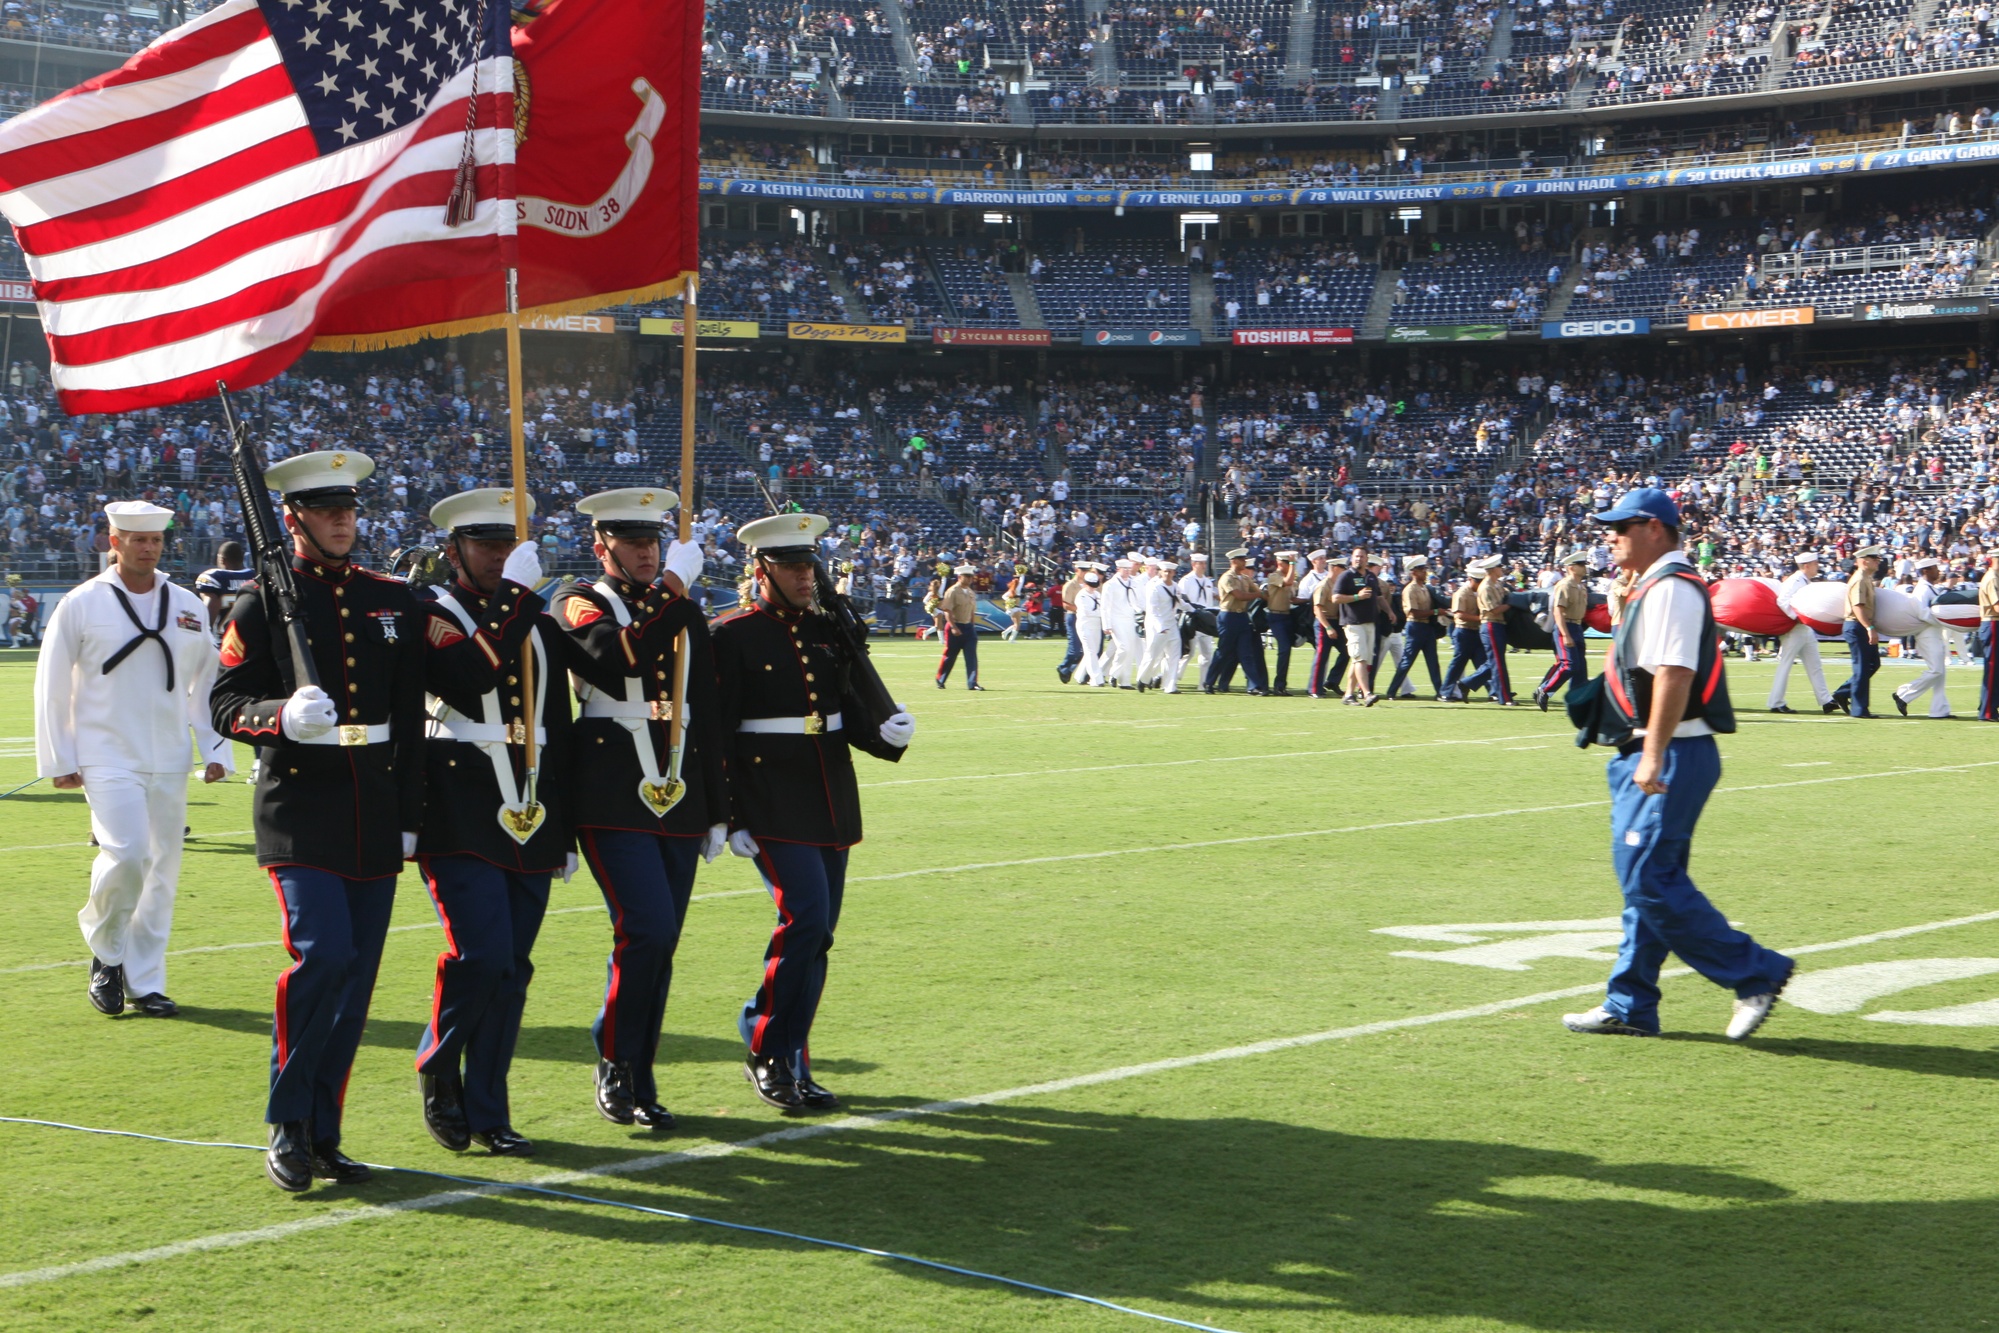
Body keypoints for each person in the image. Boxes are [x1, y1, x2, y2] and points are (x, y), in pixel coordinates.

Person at [210, 450, 426, 1193]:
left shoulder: (387, 596)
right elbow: (224, 704)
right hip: (300, 807)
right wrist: (278, 716)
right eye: (328, 509)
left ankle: (324, 1133)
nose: (343, 520)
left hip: (373, 805)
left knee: (356, 981)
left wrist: (410, 814)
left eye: (350, 508)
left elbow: (410, 713)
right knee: (324, 956)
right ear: (294, 518)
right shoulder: (262, 601)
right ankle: (286, 1120)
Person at [1562, 487, 1794, 1041]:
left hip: (1669, 750)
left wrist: (1653, 751)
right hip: (1659, 749)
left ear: (1656, 529)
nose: (1610, 534)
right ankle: (1630, 1003)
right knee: (1646, 883)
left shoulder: (1670, 588)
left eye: (1623, 525)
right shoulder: (1655, 585)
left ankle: (1755, 972)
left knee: (1649, 879)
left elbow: (1674, 674)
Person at [714, 514, 915, 1110]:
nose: (807, 576)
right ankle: (765, 1044)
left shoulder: (828, 631)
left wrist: (888, 736)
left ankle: (793, 1057)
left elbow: (845, 712)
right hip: (769, 797)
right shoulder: (732, 634)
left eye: (810, 565)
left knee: (819, 933)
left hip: (828, 794)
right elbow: (718, 731)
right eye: (793, 567)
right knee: (803, 921)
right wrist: (729, 813)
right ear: (762, 571)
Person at [410, 489, 574, 1158]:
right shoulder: (431, 611)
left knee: (513, 967)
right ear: (454, 552)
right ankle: (439, 1063)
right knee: (479, 954)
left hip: (529, 805)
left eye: (508, 545)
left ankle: (489, 1105)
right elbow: (466, 681)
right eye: (485, 546)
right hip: (457, 802)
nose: (499, 557)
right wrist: (515, 597)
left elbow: (554, 721)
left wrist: (561, 823)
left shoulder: (533, 614)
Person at [553, 487, 721, 1133]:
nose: (648, 553)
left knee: (663, 940)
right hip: (609, 788)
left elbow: (701, 704)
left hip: (678, 789)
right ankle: (615, 1059)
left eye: (655, 543)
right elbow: (614, 656)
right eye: (634, 542)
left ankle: (640, 1070)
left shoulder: (682, 606)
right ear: (603, 548)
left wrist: (717, 806)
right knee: (644, 928)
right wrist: (675, 584)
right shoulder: (581, 601)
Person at [34, 500, 232, 1021]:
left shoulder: (187, 604)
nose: (148, 548)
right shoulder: (81, 603)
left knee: (162, 870)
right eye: (136, 539)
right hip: (105, 752)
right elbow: (52, 683)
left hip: (168, 753)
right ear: (113, 541)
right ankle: (106, 953)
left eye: (156, 540)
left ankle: (146, 981)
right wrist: (59, 755)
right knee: (127, 855)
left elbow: (206, 682)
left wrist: (213, 747)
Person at [1768, 551, 1836, 714]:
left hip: (1804, 628)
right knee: (1785, 665)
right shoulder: (1795, 581)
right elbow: (1782, 601)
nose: (1817, 567)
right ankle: (1776, 702)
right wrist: (1796, 617)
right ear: (1807, 565)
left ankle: (1826, 700)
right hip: (1794, 629)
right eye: (1815, 564)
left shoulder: (1804, 580)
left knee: (1815, 665)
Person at [1892, 557, 1951, 718]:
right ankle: (1903, 694)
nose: (1938, 571)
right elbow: (1922, 612)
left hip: (1934, 632)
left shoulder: (1930, 588)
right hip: (1927, 633)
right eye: (1934, 568)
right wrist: (1940, 620)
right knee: (1936, 671)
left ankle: (1940, 710)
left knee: (1940, 675)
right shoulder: (1922, 589)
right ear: (1926, 571)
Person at [1534, 550, 1592, 710]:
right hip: (1565, 626)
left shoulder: (1580, 587)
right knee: (1569, 665)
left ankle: (1576, 703)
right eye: (1581, 564)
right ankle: (1544, 690)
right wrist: (1565, 634)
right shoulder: (1565, 585)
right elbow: (1558, 610)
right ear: (1571, 567)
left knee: (1580, 670)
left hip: (1577, 626)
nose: (1584, 567)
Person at [1208, 548, 1269, 695]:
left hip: (1241, 617)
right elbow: (1239, 595)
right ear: (1234, 561)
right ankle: (1209, 682)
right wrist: (1259, 594)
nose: (1244, 562)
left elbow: (1259, 592)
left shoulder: (1244, 578)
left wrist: (1267, 592)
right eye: (1241, 560)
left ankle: (1255, 685)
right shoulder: (1227, 578)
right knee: (1223, 652)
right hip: (1228, 617)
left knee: (1246, 653)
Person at [1328, 545, 1381, 705]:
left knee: (1358, 659)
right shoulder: (1346, 576)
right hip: (1353, 623)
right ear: (1352, 558)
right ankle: (1367, 693)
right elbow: (1335, 598)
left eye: (1362, 556)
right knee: (1360, 658)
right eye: (1356, 556)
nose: (1359, 559)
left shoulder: (1371, 576)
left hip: (1369, 623)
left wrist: (1389, 611)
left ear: (1367, 559)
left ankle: (1348, 694)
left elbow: (1378, 597)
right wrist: (1357, 597)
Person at [1385, 555, 1443, 699]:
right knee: (1407, 661)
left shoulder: (1424, 588)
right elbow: (1413, 612)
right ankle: (1392, 691)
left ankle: (1440, 692)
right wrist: (1435, 612)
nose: (1425, 572)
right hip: (1415, 627)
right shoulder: (1410, 590)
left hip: (1426, 627)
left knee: (1433, 662)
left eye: (1425, 569)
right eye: (1422, 569)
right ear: (1414, 572)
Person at [1440, 560, 1493, 701]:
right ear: (1470, 579)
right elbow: (1459, 614)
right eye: (1477, 581)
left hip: (1476, 632)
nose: (1480, 584)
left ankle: (1493, 692)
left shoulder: (1479, 592)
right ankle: (1445, 692)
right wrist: (1480, 619)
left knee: (1484, 663)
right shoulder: (1461, 593)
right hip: (1463, 632)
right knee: (1457, 665)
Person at [1842, 545, 1885, 718]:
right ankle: (1859, 709)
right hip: (1857, 625)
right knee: (1862, 668)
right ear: (1864, 561)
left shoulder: (1866, 578)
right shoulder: (1859, 579)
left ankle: (1843, 693)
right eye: (1875, 559)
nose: (1878, 563)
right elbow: (1857, 606)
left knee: (1873, 663)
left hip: (1862, 625)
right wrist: (1870, 628)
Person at [934, 563, 983, 689]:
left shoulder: (971, 592)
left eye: (971, 577)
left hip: (968, 627)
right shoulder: (952, 591)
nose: (970, 579)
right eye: (967, 576)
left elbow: (972, 611)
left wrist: (972, 626)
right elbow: (947, 610)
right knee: (950, 656)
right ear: (959, 577)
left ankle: (972, 683)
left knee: (971, 656)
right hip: (954, 626)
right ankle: (941, 679)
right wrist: (953, 627)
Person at [1138, 555, 1182, 693]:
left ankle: (1170, 686)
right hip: (1156, 625)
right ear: (1161, 572)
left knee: (1174, 655)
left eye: (1170, 572)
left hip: (1171, 624)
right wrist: (1160, 627)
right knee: (1153, 654)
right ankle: (1142, 679)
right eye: (1165, 571)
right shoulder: (1154, 587)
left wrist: (1194, 609)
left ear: (1174, 573)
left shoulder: (1175, 587)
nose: (1168, 574)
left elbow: (1180, 602)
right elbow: (1152, 610)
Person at [193, 540, 255, 637]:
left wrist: (203, 635)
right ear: (243, 557)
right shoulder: (255, 576)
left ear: (222, 559)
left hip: (224, 642)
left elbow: (210, 609)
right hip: (251, 641)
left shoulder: (215, 577)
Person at [1176, 551, 1219, 683]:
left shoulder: (1207, 581)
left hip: (1206, 619)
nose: (1203, 566)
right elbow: (1182, 599)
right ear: (1193, 564)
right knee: (1188, 653)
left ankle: (1204, 683)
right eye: (1200, 563)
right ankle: (1174, 677)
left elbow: (1208, 601)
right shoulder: (1186, 581)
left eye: (1204, 563)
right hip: (1192, 619)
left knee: (1207, 654)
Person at [1478, 556, 1516, 704]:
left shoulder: (1497, 584)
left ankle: (1470, 683)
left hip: (1498, 624)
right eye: (1500, 567)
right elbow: (1493, 609)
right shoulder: (1486, 587)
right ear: (1493, 569)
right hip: (1491, 624)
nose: (1502, 570)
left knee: (1497, 662)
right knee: (1498, 663)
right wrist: (1512, 604)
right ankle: (1504, 697)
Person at [1100, 557, 1142, 688]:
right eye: (1125, 569)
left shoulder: (1133, 582)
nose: (1128, 571)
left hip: (1130, 619)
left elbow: (1136, 601)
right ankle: (1113, 673)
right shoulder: (1110, 585)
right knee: (1123, 647)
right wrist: (1106, 625)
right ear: (1118, 569)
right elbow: (1105, 607)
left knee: (1130, 650)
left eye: (1129, 569)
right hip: (1116, 620)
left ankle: (1125, 681)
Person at [1262, 551, 1300, 695]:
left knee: (1287, 650)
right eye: (1288, 563)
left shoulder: (1289, 577)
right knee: (1284, 649)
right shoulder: (1274, 576)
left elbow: (1293, 594)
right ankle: (1279, 685)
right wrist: (1293, 564)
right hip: (1276, 616)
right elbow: (1288, 582)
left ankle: (1281, 685)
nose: (1291, 567)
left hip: (1287, 616)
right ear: (1280, 563)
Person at [1055, 560, 1088, 683]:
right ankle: (1064, 666)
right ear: (1076, 571)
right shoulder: (1070, 585)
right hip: (1073, 616)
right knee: (1075, 648)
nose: (1085, 573)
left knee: (1085, 649)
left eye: (1086, 571)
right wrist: (1083, 609)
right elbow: (1066, 604)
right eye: (1082, 570)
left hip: (1086, 618)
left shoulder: (1088, 585)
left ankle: (1068, 669)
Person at [1074, 564, 1107, 686]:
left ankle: (1079, 675)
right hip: (1085, 625)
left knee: (1094, 651)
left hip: (1096, 625)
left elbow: (1102, 608)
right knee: (1090, 651)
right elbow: (1087, 611)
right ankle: (1096, 679)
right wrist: (1101, 613)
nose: (1093, 588)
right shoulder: (1081, 595)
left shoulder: (1097, 595)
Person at [1981, 553, 1999, 722]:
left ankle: (1988, 708)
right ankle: (1987, 712)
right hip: (1993, 623)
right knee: (1992, 671)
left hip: (1994, 623)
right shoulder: (1992, 578)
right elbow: (1997, 606)